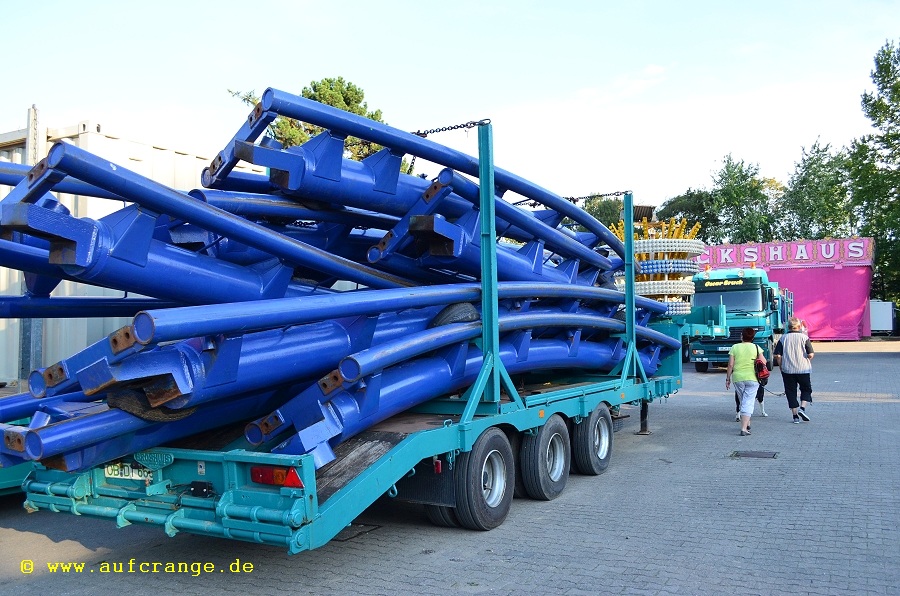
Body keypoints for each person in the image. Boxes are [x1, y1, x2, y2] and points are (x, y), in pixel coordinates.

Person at [773, 317, 815, 423]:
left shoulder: (783, 338)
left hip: (787, 370)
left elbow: (778, 355)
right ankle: (802, 408)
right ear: (799, 326)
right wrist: (807, 357)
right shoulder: (804, 338)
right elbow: (810, 354)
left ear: (788, 327)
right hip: (803, 369)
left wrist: (781, 366)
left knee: (790, 392)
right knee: (806, 389)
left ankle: (795, 416)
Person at [726, 327, 765, 436]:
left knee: (743, 400)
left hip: (738, 378)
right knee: (748, 402)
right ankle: (744, 428)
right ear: (752, 337)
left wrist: (728, 379)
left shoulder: (735, 347)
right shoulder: (756, 347)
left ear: (741, 336)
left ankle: (747, 423)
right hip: (753, 378)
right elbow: (764, 362)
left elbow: (730, 365)